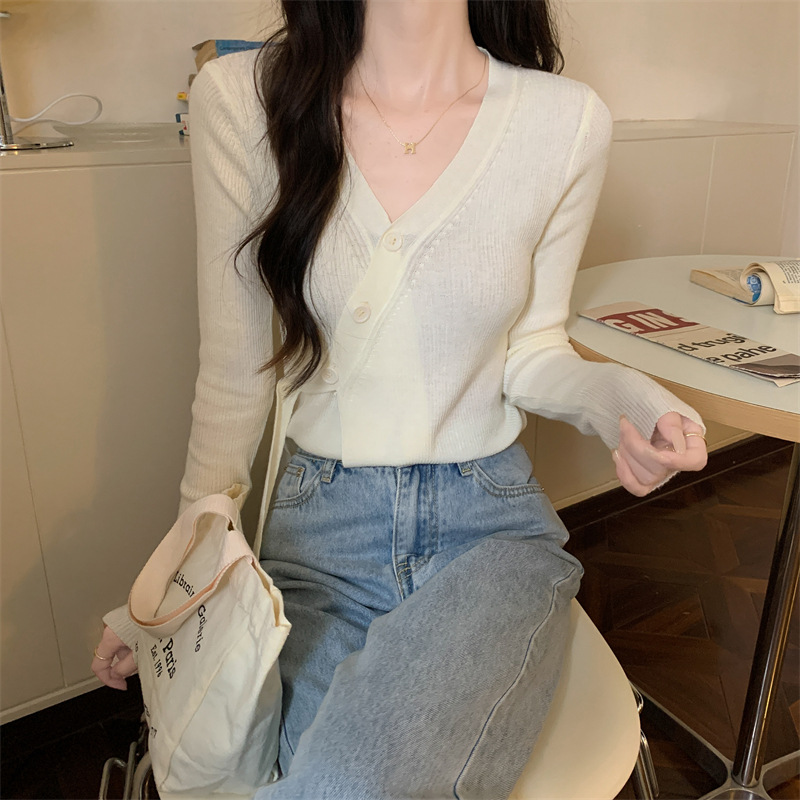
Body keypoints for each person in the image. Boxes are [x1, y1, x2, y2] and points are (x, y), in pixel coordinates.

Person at [93, 1, 708, 796]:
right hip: (318, 536)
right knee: (300, 777)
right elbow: (234, 373)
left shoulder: (566, 121)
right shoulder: (242, 99)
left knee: (348, 781)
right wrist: (179, 588)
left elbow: (533, 352)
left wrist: (629, 399)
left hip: (489, 531)